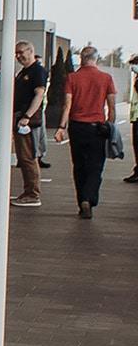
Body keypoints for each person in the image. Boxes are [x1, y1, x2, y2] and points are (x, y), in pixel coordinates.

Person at [56, 46, 116, 219]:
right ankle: (89, 198)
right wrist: (110, 126)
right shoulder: (106, 78)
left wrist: (61, 127)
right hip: (97, 128)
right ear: (96, 59)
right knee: (96, 166)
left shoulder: (72, 78)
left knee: (79, 165)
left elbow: (67, 104)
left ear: (81, 58)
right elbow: (111, 106)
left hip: (77, 127)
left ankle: (82, 199)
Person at [9, 40, 47, 205]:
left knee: (28, 157)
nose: (18, 56)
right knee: (23, 157)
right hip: (20, 117)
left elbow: (39, 94)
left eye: (21, 52)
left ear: (31, 51)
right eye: (16, 53)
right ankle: (28, 191)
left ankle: (32, 194)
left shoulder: (37, 71)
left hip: (27, 121)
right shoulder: (24, 71)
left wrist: (27, 116)